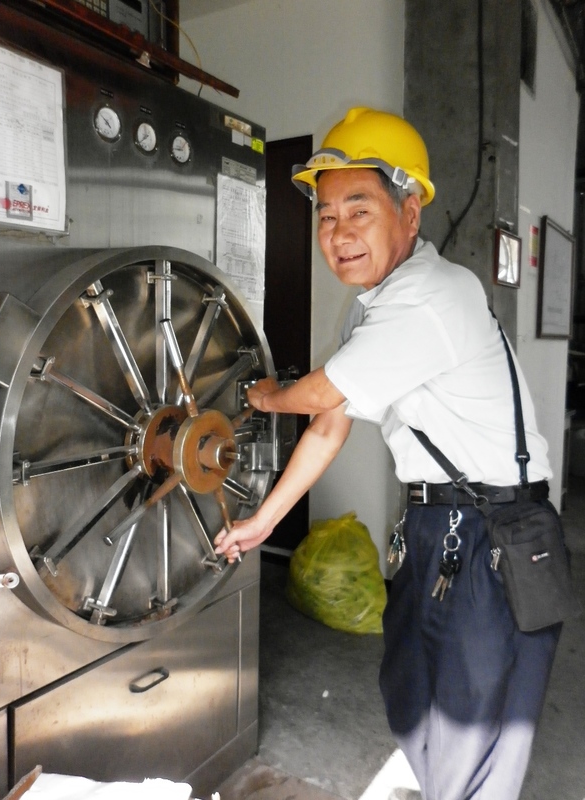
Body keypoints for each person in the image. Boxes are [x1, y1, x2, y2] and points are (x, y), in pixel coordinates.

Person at [214, 107, 561, 800]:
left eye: (358, 209)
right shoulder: (374, 305)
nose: (336, 233)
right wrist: (265, 522)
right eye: (324, 213)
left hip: (491, 538)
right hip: (443, 531)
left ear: (410, 212)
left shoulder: (432, 296)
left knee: (469, 734)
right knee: (414, 697)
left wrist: (261, 396)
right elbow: (332, 424)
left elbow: (315, 397)